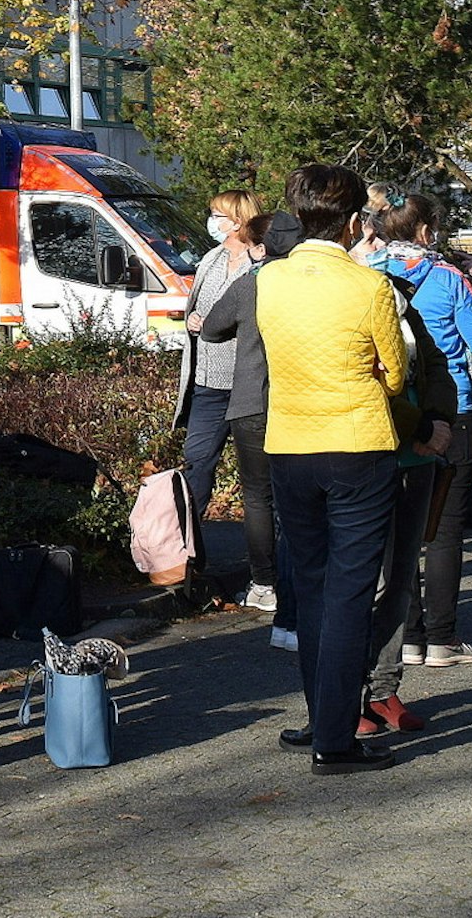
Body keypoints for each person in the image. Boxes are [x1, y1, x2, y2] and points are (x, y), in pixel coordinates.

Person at [257, 164, 407, 775]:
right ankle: (336, 739)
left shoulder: (268, 279)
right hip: (357, 443)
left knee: (312, 586)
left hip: (289, 443)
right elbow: (394, 374)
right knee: (350, 593)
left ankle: (323, 719)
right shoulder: (369, 285)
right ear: (351, 223)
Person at [367, 193, 472, 671]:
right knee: (445, 527)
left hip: (392, 411)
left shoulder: (368, 274)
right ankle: (442, 638)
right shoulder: (448, 279)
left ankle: (407, 636)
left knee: (397, 530)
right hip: (452, 409)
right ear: (426, 231)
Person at [202, 211, 302, 650]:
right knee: (296, 498)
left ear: (260, 248)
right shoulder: (309, 282)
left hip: (250, 401)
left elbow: (211, 328)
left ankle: (265, 583)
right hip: (298, 402)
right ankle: (299, 580)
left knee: (258, 496)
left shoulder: (251, 284)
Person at [175, 190, 267, 532]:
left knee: (259, 476)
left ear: (238, 221)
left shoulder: (261, 264)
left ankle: (270, 553)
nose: (211, 221)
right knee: (197, 460)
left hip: (248, 385)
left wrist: (218, 324)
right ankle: (187, 544)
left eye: (218, 215)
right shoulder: (211, 258)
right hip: (207, 382)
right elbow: (196, 305)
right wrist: (192, 320)